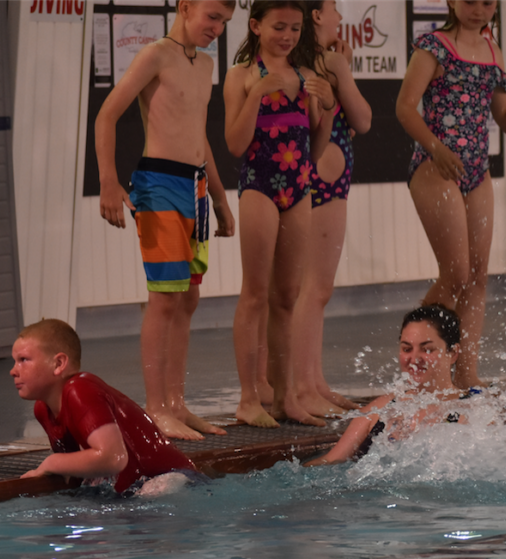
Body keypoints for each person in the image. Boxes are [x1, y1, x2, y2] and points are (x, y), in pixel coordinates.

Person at [95, 0, 237, 440]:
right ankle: (155, 407)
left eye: (224, 22)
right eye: (212, 16)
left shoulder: (206, 64)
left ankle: (177, 403)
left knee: (187, 300)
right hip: (157, 185)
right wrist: (108, 182)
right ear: (185, 6)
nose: (216, 28)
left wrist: (220, 197)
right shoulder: (155, 55)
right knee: (164, 298)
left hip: (194, 188)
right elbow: (107, 115)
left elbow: (200, 137)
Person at [396, 0, 506, 389]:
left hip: (475, 172)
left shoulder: (493, 50)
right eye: (470, 1)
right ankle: (416, 356)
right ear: (450, 1)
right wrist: (436, 148)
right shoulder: (433, 46)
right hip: (435, 167)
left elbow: (504, 112)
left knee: (478, 277)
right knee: (456, 273)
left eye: (487, 2)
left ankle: (465, 375)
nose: (479, 9)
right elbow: (404, 107)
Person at [224, 0, 335, 427]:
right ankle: (248, 398)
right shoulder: (240, 77)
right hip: (258, 187)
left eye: (294, 27)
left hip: (299, 188)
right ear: (255, 26)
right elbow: (235, 144)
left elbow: (315, 150)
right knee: (255, 294)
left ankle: (285, 397)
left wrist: (324, 112)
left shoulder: (307, 78)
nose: (287, 36)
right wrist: (256, 94)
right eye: (278, 27)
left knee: (287, 296)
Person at [290, 0, 373, 417]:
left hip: (310, 175)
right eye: (335, 8)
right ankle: (304, 386)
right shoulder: (331, 61)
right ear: (318, 15)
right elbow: (363, 119)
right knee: (315, 289)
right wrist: (344, 70)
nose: (341, 16)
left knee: (307, 289)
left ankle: (313, 380)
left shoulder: (301, 61)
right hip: (325, 180)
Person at [11, 319, 200, 495]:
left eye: (24, 360)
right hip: (137, 489)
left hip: (176, 480)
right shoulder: (43, 409)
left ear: (58, 363)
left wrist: (52, 463)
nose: (13, 371)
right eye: (14, 361)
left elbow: (112, 458)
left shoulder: (80, 390)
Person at [304, 305, 471, 466]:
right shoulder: (380, 409)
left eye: (427, 350)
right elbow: (329, 462)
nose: (414, 359)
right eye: (407, 349)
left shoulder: (472, 414)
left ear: (453, 353)